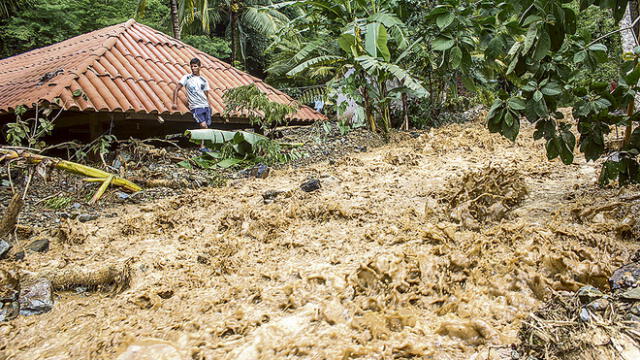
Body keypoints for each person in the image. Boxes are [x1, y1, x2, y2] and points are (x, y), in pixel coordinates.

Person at [172, 57, 212, 151]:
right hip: (195, 106)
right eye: (192, 66)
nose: (193, 68)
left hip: (205, 105)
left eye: (195, 66)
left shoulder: (203, 80)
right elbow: (176, 89)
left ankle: (205, 145)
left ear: (199, 67)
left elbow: (206, 94)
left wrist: (210, 105)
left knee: (207, 126)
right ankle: (202, 146)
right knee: (203, 125)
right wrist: (174, 103)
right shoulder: (187, 77)